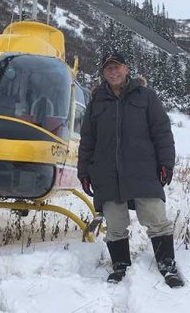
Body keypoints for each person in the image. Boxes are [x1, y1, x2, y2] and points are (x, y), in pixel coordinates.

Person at [76, 52, 184, 288]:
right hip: (107, 173)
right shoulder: (96, 102)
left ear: (126, 69)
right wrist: (84, 171)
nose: (113, 72)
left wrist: (166, 163)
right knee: (114, 224)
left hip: (143, 170)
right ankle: (120, 266)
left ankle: (167, 264)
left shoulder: (146, 97)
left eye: (117, 67)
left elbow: (162, 132)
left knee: (156, 218)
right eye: (108, 69)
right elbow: (87, 140)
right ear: (103, 73)